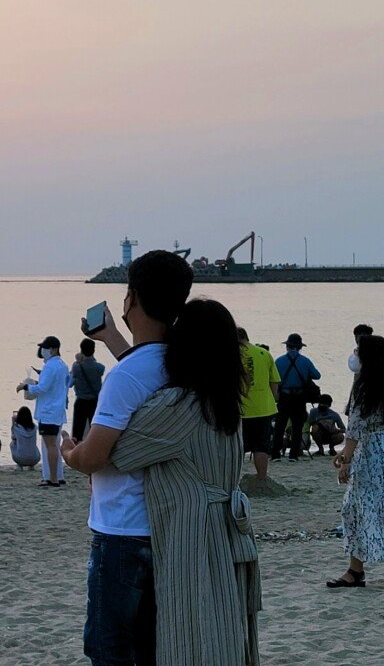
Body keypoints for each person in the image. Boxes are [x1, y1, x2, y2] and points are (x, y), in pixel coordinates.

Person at [65, 298, 261, 666]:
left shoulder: (179, 405)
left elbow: (106, 453)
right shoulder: (225, 399)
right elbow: (150, 378)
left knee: (133, 644)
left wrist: (69, 452)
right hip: (222, 534)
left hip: (186, 536)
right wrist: (114, 339)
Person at [56, 249, 194, 665]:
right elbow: (143, 372)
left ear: (131, 297)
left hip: (120, 530)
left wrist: (69, 452)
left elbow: (94, 457)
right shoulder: (184, 361)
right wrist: (113, 338)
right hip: (166, 526)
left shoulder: (126, 375)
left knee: (107, 645)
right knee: (151, 645)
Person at [328, 334, 384, 588]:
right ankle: (355, 570)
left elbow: (356, 427)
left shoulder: (365, 387)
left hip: (372, 451)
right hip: (376, 447)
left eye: (357, 351)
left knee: (356, 508)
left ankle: (355, 570)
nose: (354, 355)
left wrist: (345, 458)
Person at [18, 336, 69, 487]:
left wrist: (26, 387)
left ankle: (52, 479)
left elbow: (42, 388)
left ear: (53, 349)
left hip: (49, 411)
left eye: (45, 348)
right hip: (58, 410)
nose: (43, 351)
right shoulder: (62, 365)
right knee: (54, 443)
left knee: (50, 445)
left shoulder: (51, 366)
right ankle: (57, 476)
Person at [238, 327, 280, 480]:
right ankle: (262, 478)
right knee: (261, 446)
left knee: (237, 447)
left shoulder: (230, 354)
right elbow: (274, 381)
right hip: (264, 407)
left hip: (240, 408)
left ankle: (233, 478)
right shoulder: (264, 353)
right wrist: (273, 399)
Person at [273, 334, 321, 461]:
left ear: (287, 347)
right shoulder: (305, 361)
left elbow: (272, 378)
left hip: (284, 396)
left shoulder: (279, 361)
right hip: (299, 397)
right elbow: (317, 376)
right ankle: (293, 455)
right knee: (297, 426)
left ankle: (275, 454)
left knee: (280, 425)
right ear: (300, 347)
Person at [71, 339, 105, 441]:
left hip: (81, 401)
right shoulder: (100, 368)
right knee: (93, 430)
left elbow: (72, 376)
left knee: (77, 432)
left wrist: (78, 360)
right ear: (93, 351)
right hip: (95, 402)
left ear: (81, 350)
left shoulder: (76, 366)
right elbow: (94, 364)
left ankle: (76, 451)